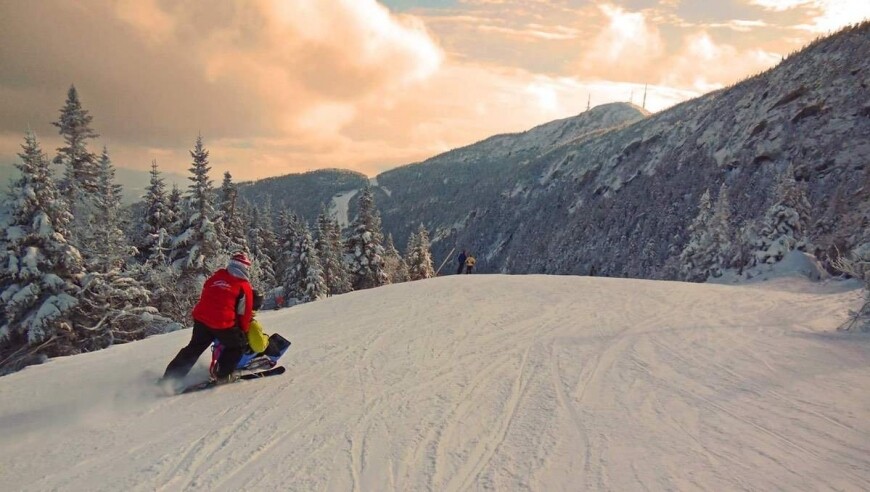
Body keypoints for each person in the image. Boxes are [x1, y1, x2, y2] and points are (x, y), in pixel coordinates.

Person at [162, 251, 255, 386]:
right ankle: (222, 375)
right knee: (238, 345)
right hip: (222, 323)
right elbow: (244, 313)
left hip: (201, 320)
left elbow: (207, 295)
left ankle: (170, 379)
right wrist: (243, 331)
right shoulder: (243, 286)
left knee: (194, 348)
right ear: (245, 267)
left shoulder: (215, 277)